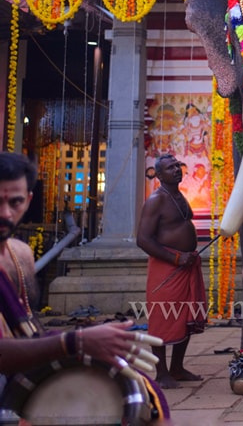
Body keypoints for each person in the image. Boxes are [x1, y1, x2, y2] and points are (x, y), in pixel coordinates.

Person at [0, 153, 160, 385]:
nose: (5, 213)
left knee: (137, 391)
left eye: (15, 202)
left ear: (28, 199)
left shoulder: (21, 254)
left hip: (24, 382)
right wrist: (75, 342)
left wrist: (90, 343)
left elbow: (29, 332)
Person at [136, 153, 206, 389]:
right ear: (158, 174)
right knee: (162, 318)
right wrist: (176, 257)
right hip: (167, 267)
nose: (177, 169)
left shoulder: (178, 195)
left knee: (186, 317)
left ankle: (177, 368)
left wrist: (188, 256)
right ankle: (162, 372)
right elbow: (143, 240)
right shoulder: (156, 199)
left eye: (177, 165)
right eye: (170, 167)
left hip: (187, 264)